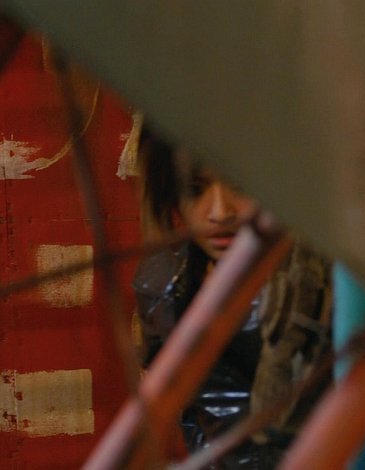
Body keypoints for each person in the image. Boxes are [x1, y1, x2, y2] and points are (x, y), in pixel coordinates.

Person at [132, 128, 332, 468]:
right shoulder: (162, 285)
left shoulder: (333, 280)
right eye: (195, 189)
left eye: (241, 183)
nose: (220, 212)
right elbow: (182, 411)